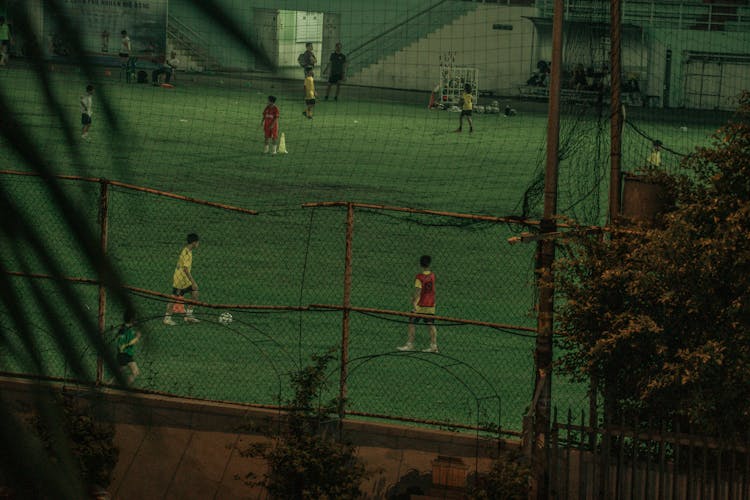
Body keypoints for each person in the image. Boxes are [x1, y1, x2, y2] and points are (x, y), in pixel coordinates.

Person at [398, 255, 438, 353]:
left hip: (421, 304)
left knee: (411, 322)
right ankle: (434, 345)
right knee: (431, 324)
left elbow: (418, 291)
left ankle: (410, 344)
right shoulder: (432, 276)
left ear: (420, 264)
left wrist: (414, 301)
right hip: (431, 304)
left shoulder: (419, 277)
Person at [164, 233, 201, 325]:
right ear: (193, 243)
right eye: (197, 242)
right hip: (180, 280)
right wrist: (193, 282)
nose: (198, 244)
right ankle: (167, 318)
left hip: (185, 280)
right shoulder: (186, 253)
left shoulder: (188, 251)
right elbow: (185, 269)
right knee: (173, 298)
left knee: (195, 293)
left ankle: (188, 316)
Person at [116, 308, 142, 385]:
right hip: (125, 354)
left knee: (119, 373)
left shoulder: (124, 327)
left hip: (123, 354)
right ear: (131, 319)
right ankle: (123, 386)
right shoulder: (126, 329)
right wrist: (137, 337)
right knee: (135, 372)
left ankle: (109, 385)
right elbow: (129, 343)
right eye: (134, 318)